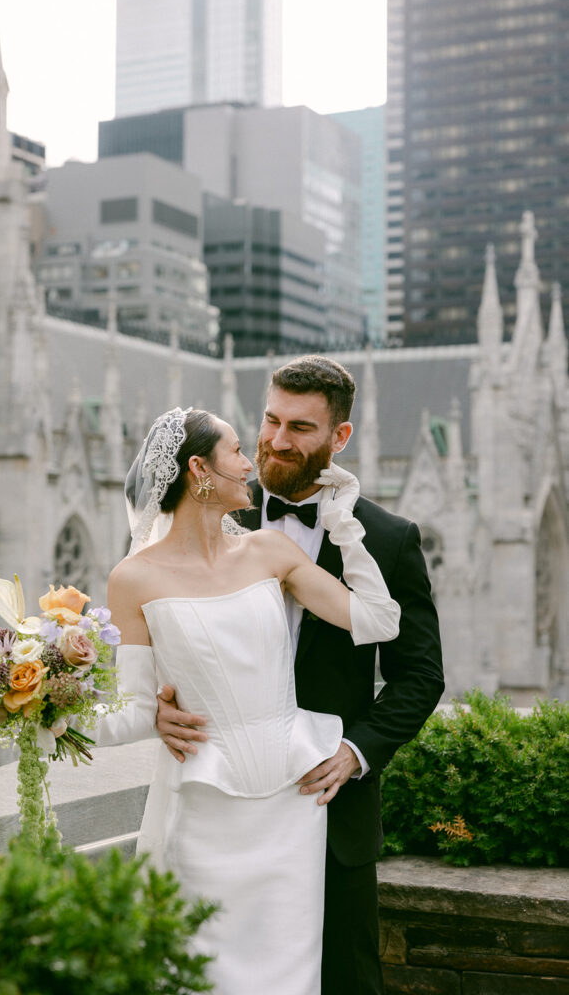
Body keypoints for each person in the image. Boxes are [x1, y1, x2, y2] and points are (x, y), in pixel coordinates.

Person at [156, 355, 445, 995]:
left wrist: (356, 752)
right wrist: (156, 706)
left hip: (330, 807)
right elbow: (163, 627)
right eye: (269, 420)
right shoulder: (213, 510)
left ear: (339, 437)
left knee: (345, 981)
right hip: (221, 808)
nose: (276, 441)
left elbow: (421, 675)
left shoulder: (388, 539)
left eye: (300, 428)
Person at [94, 404, 401, 995]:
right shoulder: (131, 578)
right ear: (198, 470)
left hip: (292, 808)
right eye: (236, 450)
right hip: (206, 807)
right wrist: (43, 718)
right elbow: (133, 711)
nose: (250, 461)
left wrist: (344, 521)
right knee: (201, 974)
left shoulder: (271, 553)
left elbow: (379, 621)